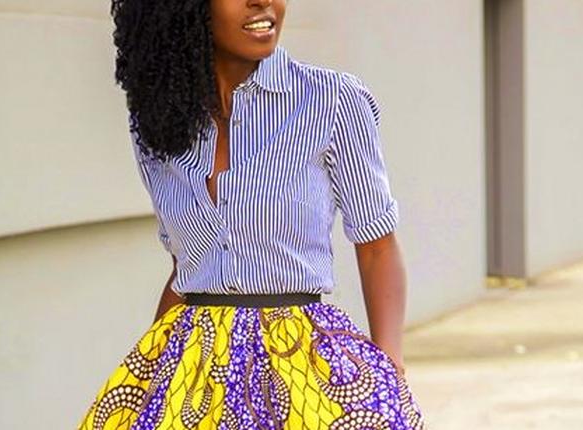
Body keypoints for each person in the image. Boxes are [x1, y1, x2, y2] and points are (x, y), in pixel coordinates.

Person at [77, 0, 426, 428]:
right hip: (191, 368)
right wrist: (152, 377)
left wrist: (390, 369)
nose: (263, 1)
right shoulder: (157, 122)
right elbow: (185, 268)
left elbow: (377, 248)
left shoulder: (332, 101)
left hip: (301, 367)